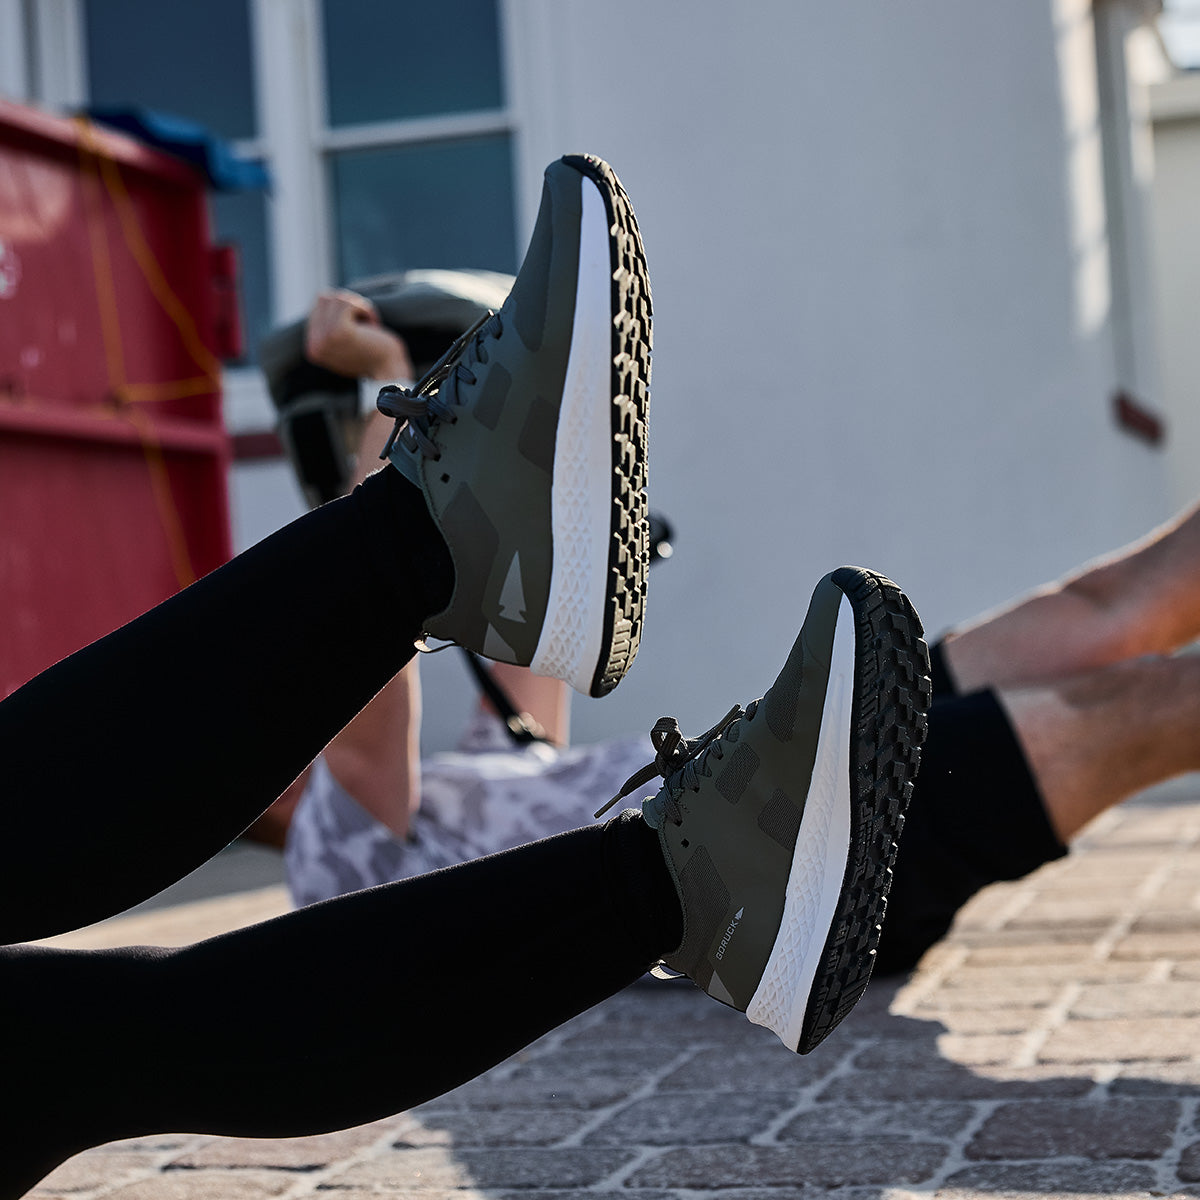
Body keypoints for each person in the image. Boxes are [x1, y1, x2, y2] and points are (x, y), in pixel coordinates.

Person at [0, 153, 928, 1197]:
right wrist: (399, 430)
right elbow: (368, 726)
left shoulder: (458, 773)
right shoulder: (343, 838)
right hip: (887, 819)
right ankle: (442, 560)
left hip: (827, 823)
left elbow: (538, 639)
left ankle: (689, 885)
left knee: (41, 1045)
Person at [286, 278, 1200, 977]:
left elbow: (530, 631)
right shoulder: (333, 866)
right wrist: (391, 380)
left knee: (1105, 611)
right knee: (1132, 703)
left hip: (787, 765)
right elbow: (379, 592)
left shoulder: (449, 805)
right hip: (780, 862)